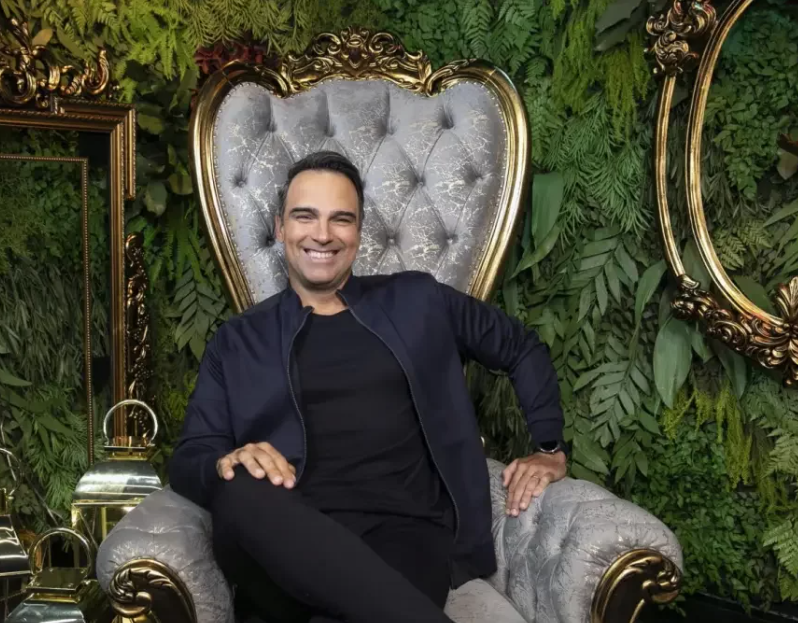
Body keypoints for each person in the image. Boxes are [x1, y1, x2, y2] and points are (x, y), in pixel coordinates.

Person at [168, 151, 568, 623]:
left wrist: (549, 447)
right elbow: (190, 458)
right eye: (304, 216)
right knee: (237, 488)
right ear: (280, 227)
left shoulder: (418, 300)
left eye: (341, 219)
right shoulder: (238, 340)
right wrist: (227, 460)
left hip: (404, 535)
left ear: (359, 232)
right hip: (283, 537)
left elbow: (520, 346)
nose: (322, 234)